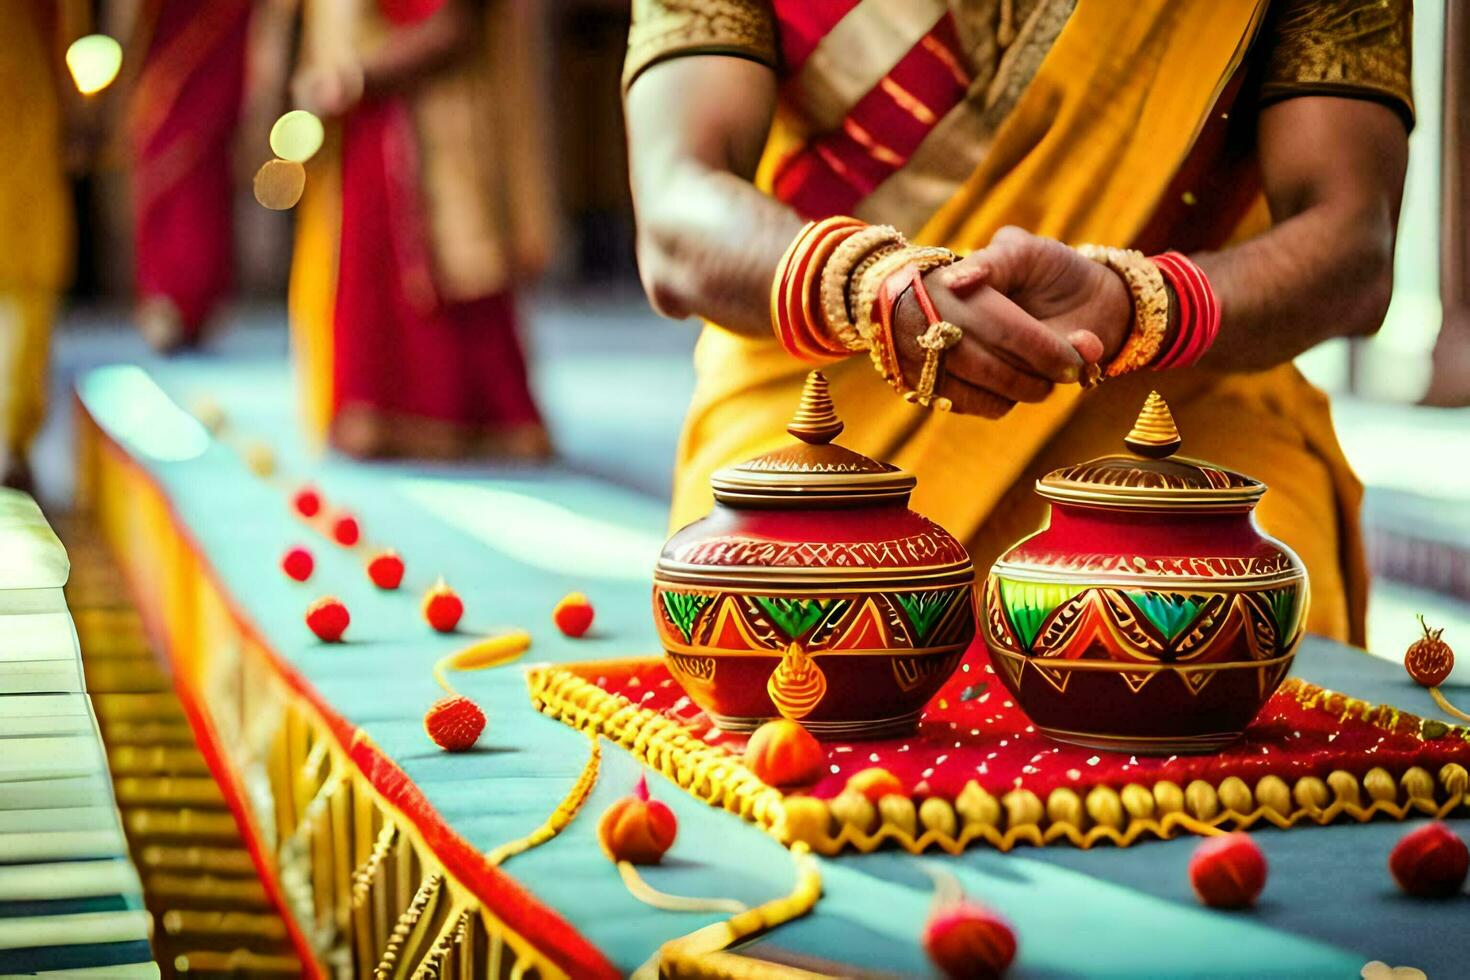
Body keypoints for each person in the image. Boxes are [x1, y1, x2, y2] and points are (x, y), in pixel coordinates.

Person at [624, 0, 1414, 647]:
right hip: (819, 408)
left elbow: (1353, 241)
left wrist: (1134, 304)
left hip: (1173, 404)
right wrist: (872, 286)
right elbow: (675, 210)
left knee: (1223, 630)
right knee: (762, 630)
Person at [289, 0, 554, 459]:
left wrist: (357, 79)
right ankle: (380, 412)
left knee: (458, 256)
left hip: (442, 115)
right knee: (370, 269)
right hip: (369, 126)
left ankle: (471, 416)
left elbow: (455, 25)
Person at [123, 0, 254, 353]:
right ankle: (166, 296)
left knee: (201, 173)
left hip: (216, 58)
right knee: (169, 168)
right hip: (168, 56)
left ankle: (194, 303)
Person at [0, 1, 89, 491]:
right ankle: (12, 440)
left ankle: (13, 437)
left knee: (27, 276)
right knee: (26, 280)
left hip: (27, 103)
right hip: (29, 95)